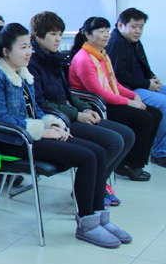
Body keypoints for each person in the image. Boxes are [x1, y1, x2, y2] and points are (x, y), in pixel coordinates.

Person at [0, 23, 131, 248]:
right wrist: (42, 131)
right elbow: (0, 119)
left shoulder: (22, 73)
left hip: (31, 135)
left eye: (29, 46)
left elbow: (35, 110)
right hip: (14, 141)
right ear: (6, 52)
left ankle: (100, 217)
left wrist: (53, 124)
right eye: (23, 47)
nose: (29, 52)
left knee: (99, 152)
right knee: (88, 157)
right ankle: (87, 224)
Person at [27, 11, 134, 206]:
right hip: (57, 120)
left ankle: (97, 184)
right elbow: (41, 104)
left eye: (60, 34)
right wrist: (77, 115)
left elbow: (67, 93)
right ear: (38, 36)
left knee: (127, 135)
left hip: (69, 113)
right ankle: (87, 189)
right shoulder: (32, 63)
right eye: (53, 34)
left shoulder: (54, 58)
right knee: (114, 141)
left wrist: (85, 108)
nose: (58, 39)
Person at [69, 16, 162, 182]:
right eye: (101, 31)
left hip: (108, 100)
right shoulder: (84, 59)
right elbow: (98, 92)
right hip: (95, 105)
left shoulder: (102, 55)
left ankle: (135, 162)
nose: (106, 35)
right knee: (144, 118)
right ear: (88, 35)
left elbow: (114, 84)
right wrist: (129, 102)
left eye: (107, 31)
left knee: (155, 113)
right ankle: (129, 165)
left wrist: (134, 95)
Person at [105, 8, 166, 168]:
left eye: (141, 27)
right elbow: (118, 75)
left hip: (142, 85)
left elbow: (144, 66)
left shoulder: (134, 42)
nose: (138, 31)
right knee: (164, 104)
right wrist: (147, 84)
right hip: (129, 90)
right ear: (120, 25)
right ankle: (160, 152)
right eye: (134, 26)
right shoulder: (116, 43)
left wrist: (153, 78)